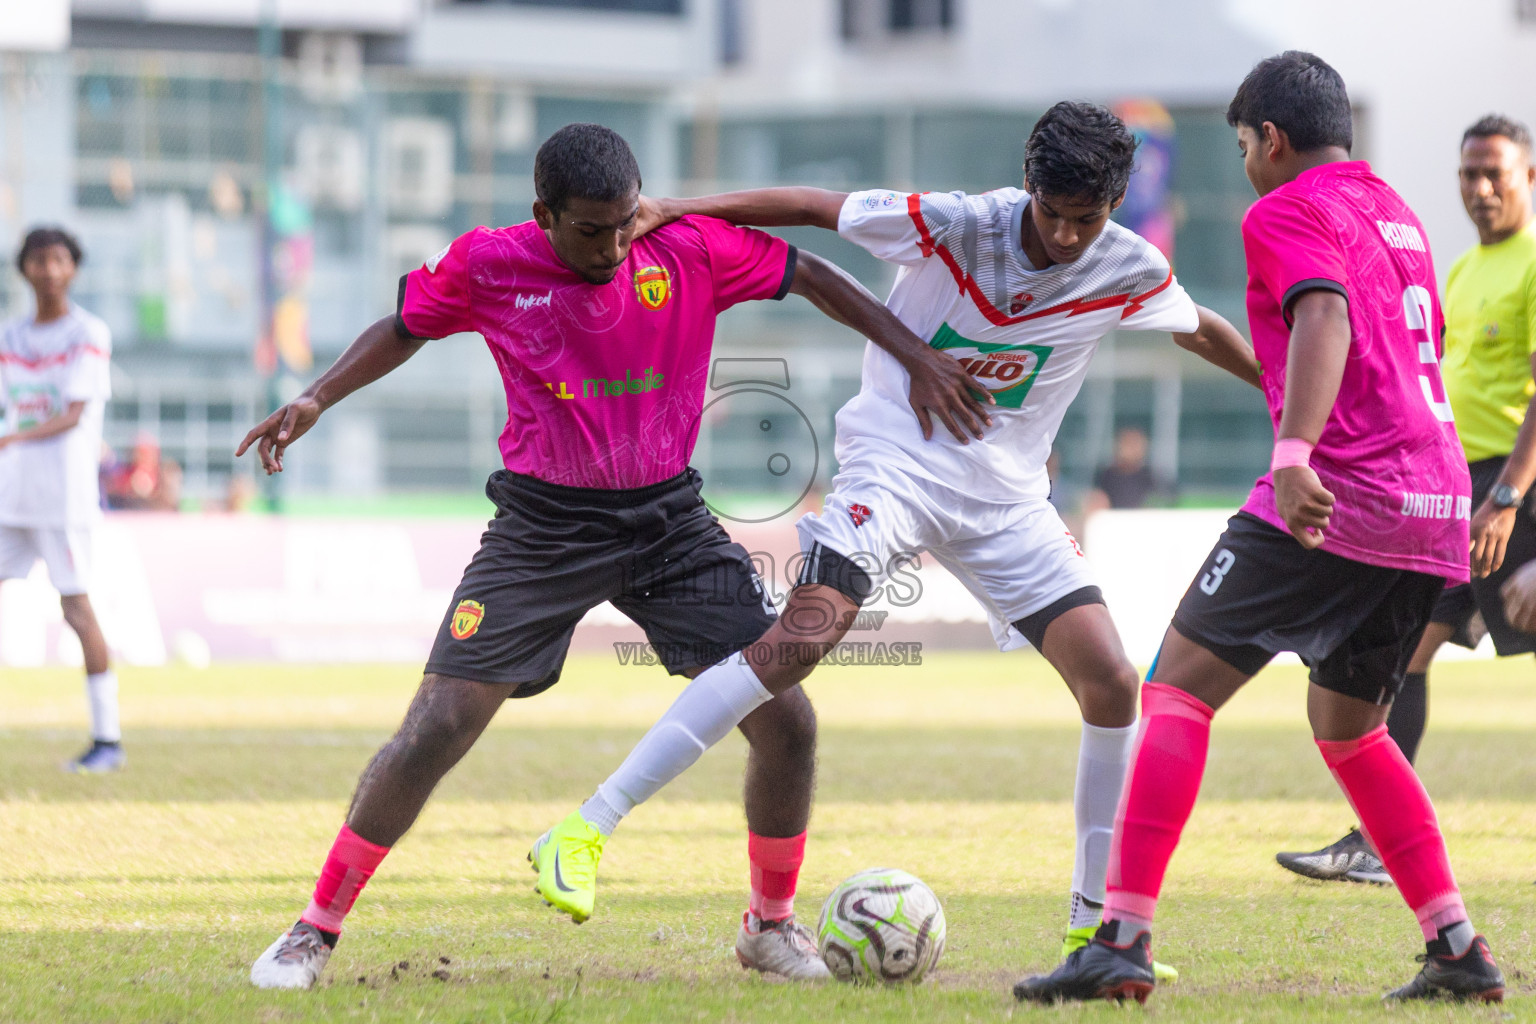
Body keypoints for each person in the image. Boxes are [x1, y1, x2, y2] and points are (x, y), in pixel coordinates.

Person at [239, 122, 986, 989]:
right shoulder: (489, 263)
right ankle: (312, 931)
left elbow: (812, 272)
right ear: (544, 215)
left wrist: (917, 357)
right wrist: (316, 396)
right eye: (592, 230)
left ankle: (770, 928)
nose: (615, 245)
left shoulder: (689, 247)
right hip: (541, 528)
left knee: (787, 722)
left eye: (626, 222)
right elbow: (404, 324)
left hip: (669, 522)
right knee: (439, 724)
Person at [532, 102, 1261, 981]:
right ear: (1029, 187)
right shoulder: (956, 223)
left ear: (1110, 206)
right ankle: (586, 827)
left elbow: (1201, 328)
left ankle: (1095, 932)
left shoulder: (1127, 263)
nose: (1068, 235)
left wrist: (1286, 397)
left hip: (1007, 499)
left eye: (1087, 217)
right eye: (1053, 211)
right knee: (799, 641)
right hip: (896, 465)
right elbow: (813, 205)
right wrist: (679, 208)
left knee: (1112, 682)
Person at [1015, 52, 1505, 1005]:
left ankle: (1120, 937)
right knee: (1351, 726)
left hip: (1344, 489)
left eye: (1243, 146)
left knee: (1174, 692)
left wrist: (1294, 454)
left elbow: (1321, 316)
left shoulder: (1284, 209)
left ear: (1271, 139)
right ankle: (1457, 945)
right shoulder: (1395, 212)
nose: (1244, 164)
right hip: (1435, 503)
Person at [1275, 114, 1536, 887]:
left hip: (1512, 489)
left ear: (1530, 179)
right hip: (1461, 490)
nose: (1480, 189)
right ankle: (1374, 844)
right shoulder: (1459, 272)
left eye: (1497, 173)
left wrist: (1512, 495)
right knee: (1406, 653)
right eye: (1468, 174)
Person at [0, 226, 122, 774]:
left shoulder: (87, 333)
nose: (48, 270)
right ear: (23, 269)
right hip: (13, 492)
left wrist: (16, 437)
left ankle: (108, 741)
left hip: (63, 496)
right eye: (38, 260)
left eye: (58, 260)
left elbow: (74, 412)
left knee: (76, 609)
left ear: (73, 268)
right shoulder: (11, 336)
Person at [1084, 425, 1173, 514]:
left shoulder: (1153, 477)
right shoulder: (1105, 477)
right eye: (1128, 443)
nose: (1132, 449)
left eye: (1136, 443)